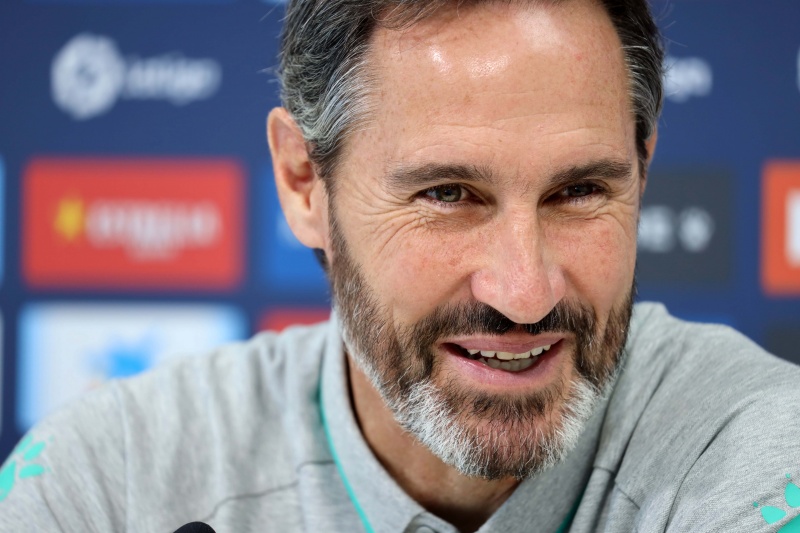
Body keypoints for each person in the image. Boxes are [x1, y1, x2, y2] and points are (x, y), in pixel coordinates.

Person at [2, 0, 799, 531]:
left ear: (643, 171)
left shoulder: (758, 450)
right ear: (304, 182)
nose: (525, 291)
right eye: (448, 194)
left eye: (579, 191)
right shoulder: (109, 482)